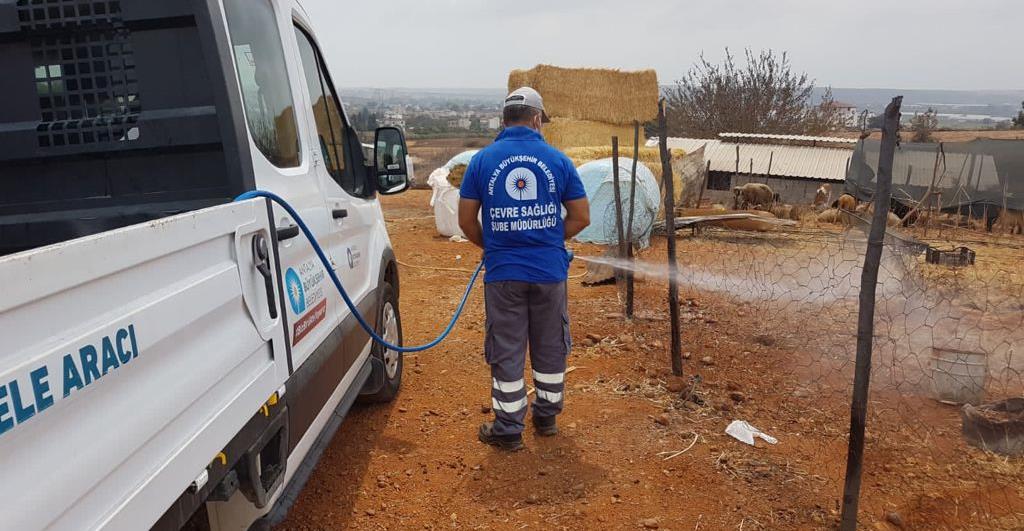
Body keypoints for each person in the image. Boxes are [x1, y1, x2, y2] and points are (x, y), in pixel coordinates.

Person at [458, 87, 590, 451]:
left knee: (507, 347)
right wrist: (546, 240)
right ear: (536, 119)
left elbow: (466, 220)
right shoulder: (558, 161)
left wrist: (498, 245)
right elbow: (581, 217)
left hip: (504, 274)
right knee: (550, 346)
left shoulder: (482, 162)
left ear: (504, 120)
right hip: (549, 273)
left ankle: (508, 429)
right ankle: (546, 418)